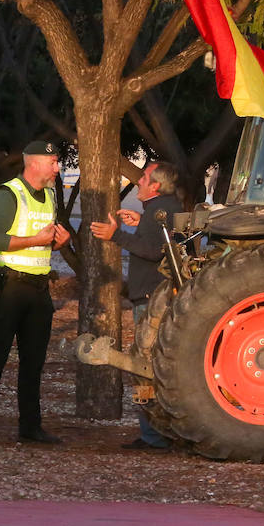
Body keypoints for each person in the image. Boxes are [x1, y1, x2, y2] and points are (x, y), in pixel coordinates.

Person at [0, 139, 70, 444]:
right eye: (53, 162)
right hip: (9, 286)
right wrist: (38, 240)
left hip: (38, 288)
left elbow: (43, 239)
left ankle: (30, 426)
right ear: (34, 163)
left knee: (34, 361)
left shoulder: (50, 195)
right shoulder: (9, 194)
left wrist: (56, 243)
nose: (58, 167)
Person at [91, 160, 182, 450]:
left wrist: (115, 235)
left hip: (151, 302)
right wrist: (137, 225)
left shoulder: (160, 211)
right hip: (155, 298)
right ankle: (159, 434)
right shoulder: (163, 209)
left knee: (143, 367)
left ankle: (154, 436)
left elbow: (154, 251)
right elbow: (155, 242)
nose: (139, 181)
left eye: (144, 178)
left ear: (155, 185)